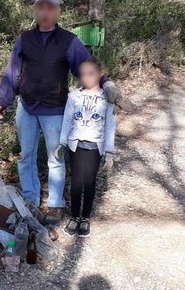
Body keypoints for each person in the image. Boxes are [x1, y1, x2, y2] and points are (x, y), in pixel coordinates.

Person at [0, 0, 120, 225]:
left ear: (58, 11)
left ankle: (55, 205)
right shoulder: (25, 39)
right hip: (27, 108)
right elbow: (12, 73)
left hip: (56, 110)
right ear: (35, 9)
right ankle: (30, 199)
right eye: (41, 6)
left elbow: (85, 67)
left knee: (55, 158)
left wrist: (106, 82)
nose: (45, 12)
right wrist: (1, 100)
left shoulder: (69, 41)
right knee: (26, 157)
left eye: (50, 7)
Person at [55, 56, 115, 237]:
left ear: (100, 74)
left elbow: (110, 125)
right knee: (76, 182)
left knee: (89, 182)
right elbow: (67, 120)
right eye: (83, 75)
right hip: (76, 144)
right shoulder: (74, 96)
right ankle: (75, 216)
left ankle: (85, 218)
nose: (87, 78)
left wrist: (109, 151)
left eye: (91, 74)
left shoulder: (107, 98)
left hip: (95, 146)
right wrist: (62, 142)